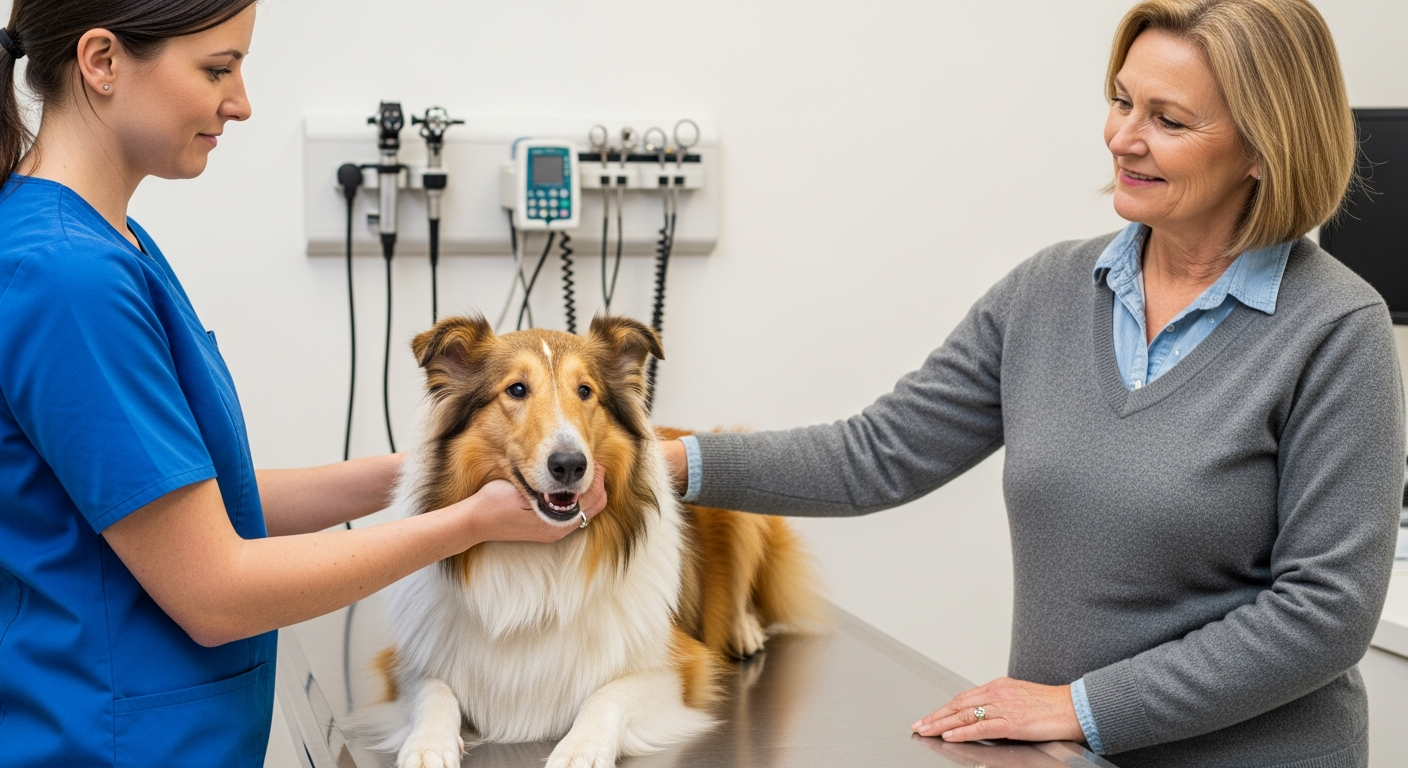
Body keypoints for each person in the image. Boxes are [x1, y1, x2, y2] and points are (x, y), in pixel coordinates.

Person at [661, 1, 1402, 765]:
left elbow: (1324, 614)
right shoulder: (1046, 294)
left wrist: (1081, 707)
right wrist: (667, 463)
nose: (1123, 137)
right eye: (1121, 101)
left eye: (1168, 120)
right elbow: (876, 454)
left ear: (1261, 147)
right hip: (1063, 756)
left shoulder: (1336, 329)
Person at [0, 3, 604, 766]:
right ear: (102, 61)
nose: (242, 102)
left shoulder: (108, 244)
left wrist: (430, 473)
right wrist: (467, 523)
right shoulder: (67, 277)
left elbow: (193, 500)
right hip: (109, 744)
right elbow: (215, 588)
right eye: (217, 69)